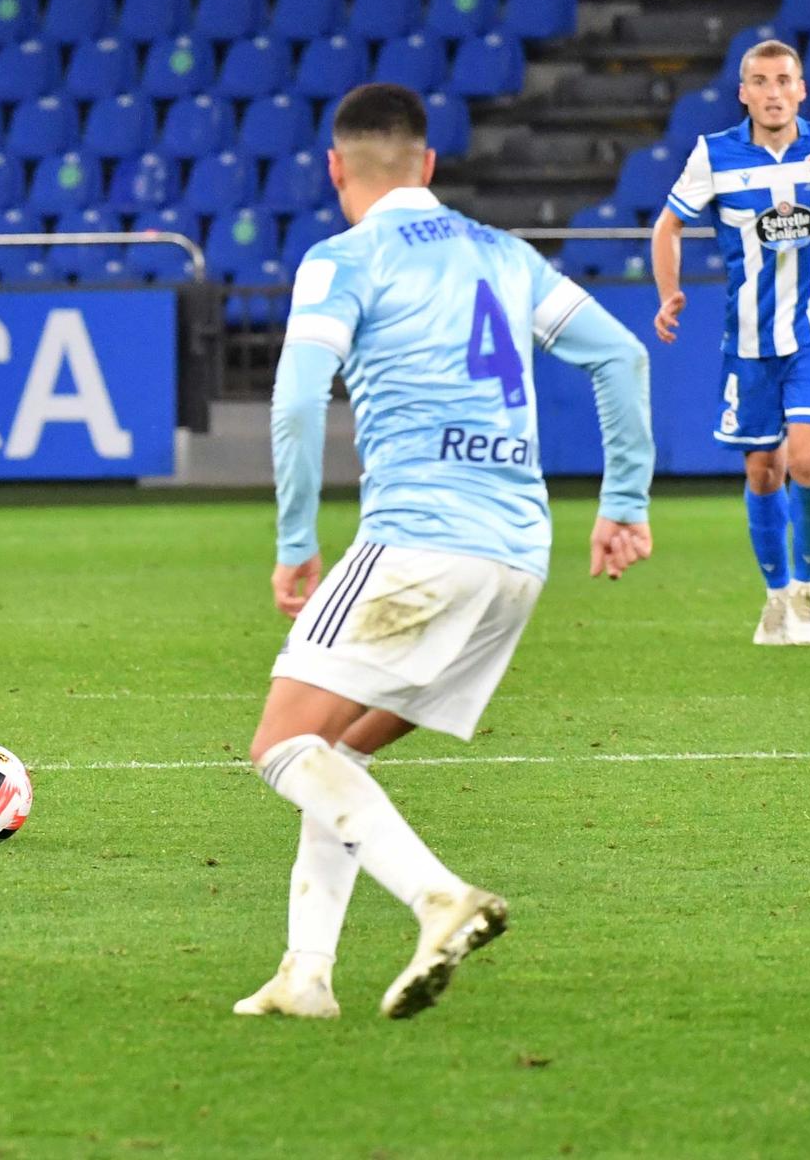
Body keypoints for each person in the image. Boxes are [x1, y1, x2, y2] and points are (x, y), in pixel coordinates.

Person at [239, 83, 654, 1020]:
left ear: (337, 168)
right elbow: (621, 356)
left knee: (279, 743)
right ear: (428, 165)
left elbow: (298, 401)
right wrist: (622, 504)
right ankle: (306, 974)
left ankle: (439, 899)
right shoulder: (507, 254)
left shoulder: (343, 257)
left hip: (422, 538)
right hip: (519, 558)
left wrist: (297, 544)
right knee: (339, 751)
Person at [652, 38, 810, 645]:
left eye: (785, 80)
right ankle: (776, 595)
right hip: (750, 343)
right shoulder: (716, 155)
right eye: (761, 81)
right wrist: (668, 291)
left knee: (806, 459)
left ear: (802, 89)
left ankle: (807, 589)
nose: (774, 92)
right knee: (763, 472)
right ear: (743, 92)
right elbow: (668, 226)